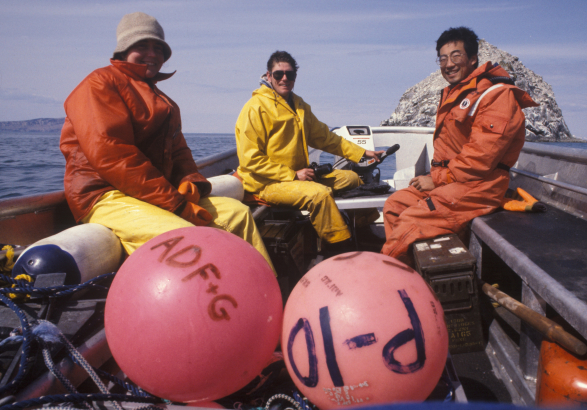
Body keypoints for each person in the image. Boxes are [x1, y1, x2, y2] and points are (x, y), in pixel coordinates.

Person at [60, 12, 274, 270]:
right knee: (189, 237)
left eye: (158, 48)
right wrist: (176, 204)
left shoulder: (165, 102)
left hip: (150, 195)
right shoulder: (100, 83)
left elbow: (180, 151)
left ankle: (264, 291)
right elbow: (113, 155)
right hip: (104, 194)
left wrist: (190, 181)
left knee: (237, 214)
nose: (152, 53)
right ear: (123, 49)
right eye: (142, 45)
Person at [381, 27, 538, 265]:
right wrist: (439, 178)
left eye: (456, 56)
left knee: (410, 221)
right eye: (443, 58)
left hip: (478, 186)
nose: (448, 64)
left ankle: (388, 276)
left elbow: (481, 157)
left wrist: (438, 179)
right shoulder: (459, 93)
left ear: (472, 59)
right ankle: (412, 275)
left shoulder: (496, 96)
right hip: (454, 181)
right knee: (394, 205)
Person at [235, 51, 384, 246]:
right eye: (279, 74)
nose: (284, 79)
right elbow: (250, 159)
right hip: (265, 184)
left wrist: (362, 153)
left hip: (298, 177)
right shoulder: (255, 107)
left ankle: (363, 232)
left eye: (290, 74)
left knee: (352, 178)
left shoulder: (299, 105)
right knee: (319, 194)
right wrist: (293, 175)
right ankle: (339, 246)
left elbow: (325, 138)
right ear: (268, 76)